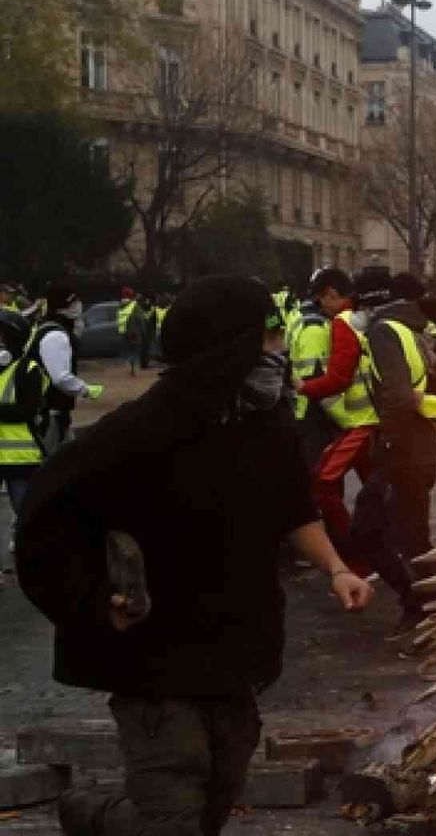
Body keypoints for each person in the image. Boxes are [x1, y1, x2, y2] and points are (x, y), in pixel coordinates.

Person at [16, 275, 372, 836]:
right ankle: (94, 815)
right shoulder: (140, 433)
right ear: (227, 346)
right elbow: (44, 521)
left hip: (235, 647)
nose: (278, 353)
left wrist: (338, 569)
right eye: (267, 338)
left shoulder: (265, 428)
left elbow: (293, 509)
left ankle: (98, 815)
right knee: (172, 819)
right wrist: (90, 602)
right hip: (156, 659)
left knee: (213, 799)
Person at [361, 273, 436, 630]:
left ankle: (424, 609)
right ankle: (428, 605)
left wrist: (387, 446)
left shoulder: (383, 332)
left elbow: (396, 395)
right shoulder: (415, 327)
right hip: (422, 445)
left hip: (403, 450)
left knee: (369, 532)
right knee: (413, 534)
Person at [299, 267, 389, 584]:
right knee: (377, 489)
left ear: (334, 294)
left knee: (323, 483)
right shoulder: (374, 318)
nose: (321, 305)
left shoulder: (344, 322)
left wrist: (304, 387)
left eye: (322, 298)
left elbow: (339, 377)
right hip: (379, 420)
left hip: (359, 424)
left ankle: (356, 555)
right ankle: (387, 550)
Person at [30, 283, 103, 453]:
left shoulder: (48, 329)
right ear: (63, 307)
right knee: (51, 464)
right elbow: (60, 377)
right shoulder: (56, 335)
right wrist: (85, 389)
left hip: (54, 412)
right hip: (50, 413)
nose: (78, 305)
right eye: (74, 302)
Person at [0, 310, 46, 579]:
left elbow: (26, 411)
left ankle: (35, 568)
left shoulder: (28, 369)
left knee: (27, 515)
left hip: (21, 457)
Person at [289, 270, 348, 467]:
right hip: (313, 419)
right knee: (320, 481)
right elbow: (318, 384)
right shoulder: (315, 328)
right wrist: (349, 421)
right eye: (344, 299)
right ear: (330, 295)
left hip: (302, 414)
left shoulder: (299, 315)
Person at [131, 293, 157, 372]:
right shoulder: (139, 309)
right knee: (144, 348)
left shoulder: (141, 308)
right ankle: (144, 364)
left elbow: (153, 320)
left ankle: (144, 364)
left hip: (146, 330)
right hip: (143, 330)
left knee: (145, 348)